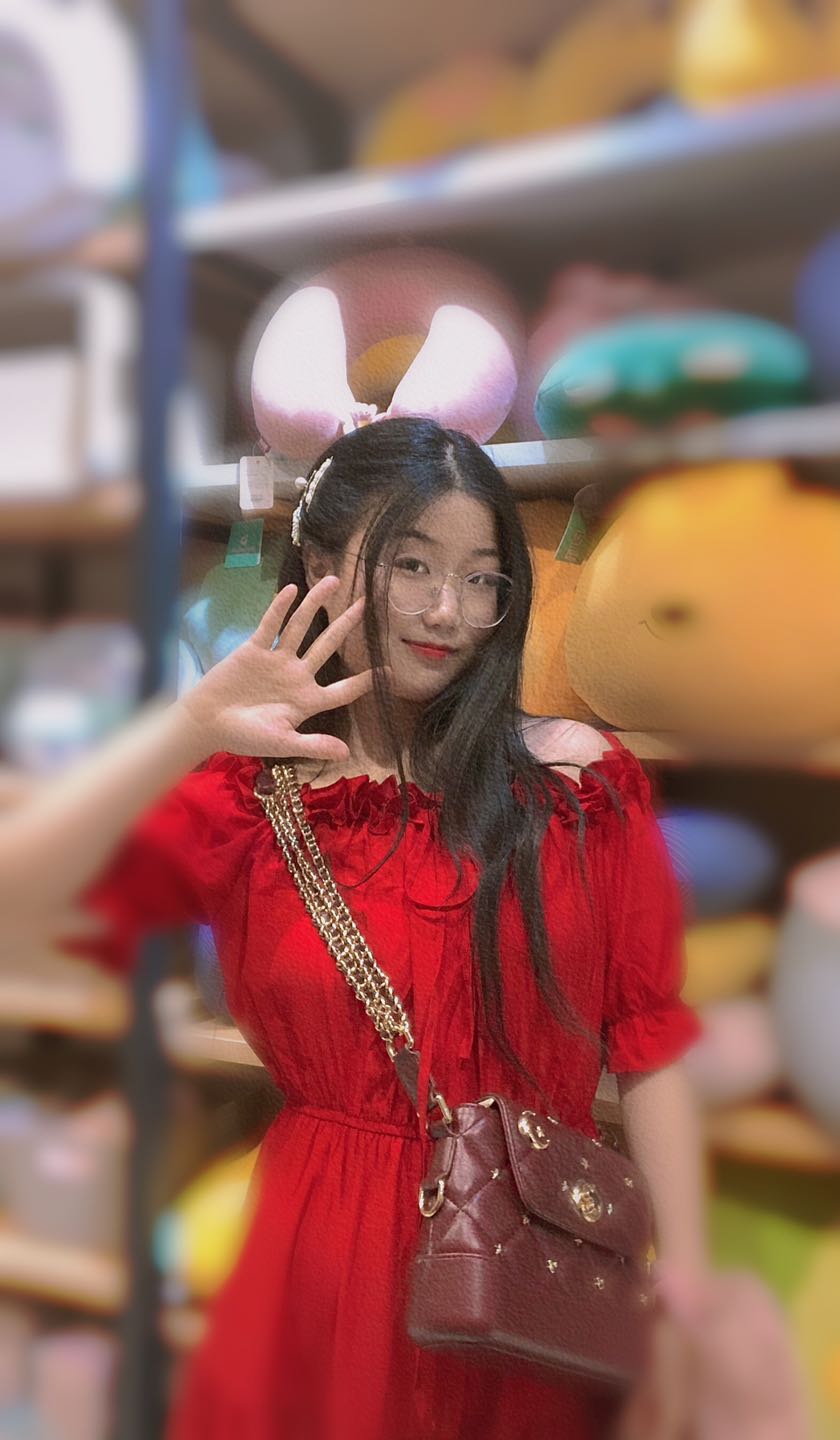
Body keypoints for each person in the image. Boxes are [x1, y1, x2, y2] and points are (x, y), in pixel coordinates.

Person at [2, 417, 712, 1439]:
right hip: (318, 1267)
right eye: (411, 565)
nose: (447, 611)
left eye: (481, 578)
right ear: (324, 565)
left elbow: (650, 1038)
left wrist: (685, 1279)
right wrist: (189, 724)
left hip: (533, 1266)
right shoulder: (251, 795)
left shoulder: (579, 783)